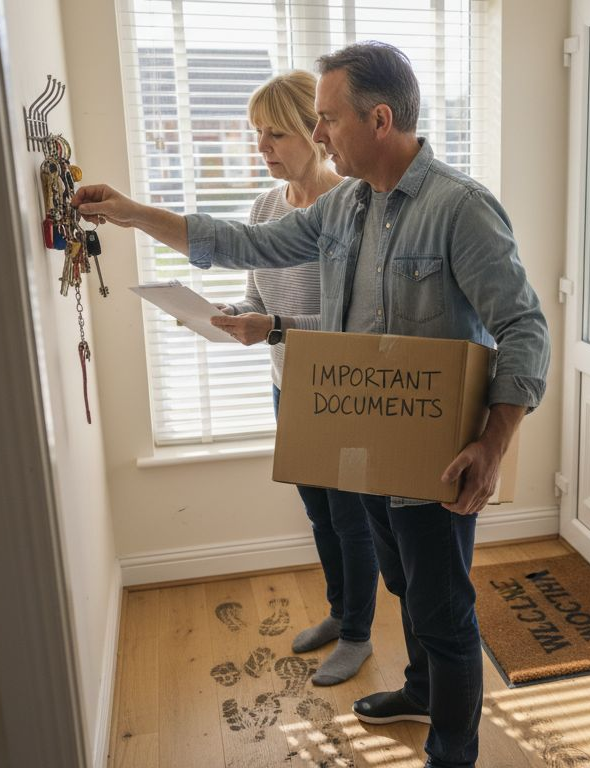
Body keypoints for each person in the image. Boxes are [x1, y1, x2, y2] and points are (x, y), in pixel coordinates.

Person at [74, 42, 550, 768]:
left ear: (380, 119)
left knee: (445, 616)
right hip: (372, 455)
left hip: (439, 461)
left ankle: (453, 754)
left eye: (327, 120)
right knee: (400, 585)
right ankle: (421, 690)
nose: (319, 134)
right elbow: (245, 241)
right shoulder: (345, 210)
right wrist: (136, 215)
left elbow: (524, 327)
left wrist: (493, 445)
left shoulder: (461, 210)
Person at [208, 70, 378, 687]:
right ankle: (341, 613)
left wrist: (273, 324)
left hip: (341, 390)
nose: (263, 148)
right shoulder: (264, 207)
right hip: (288, 384)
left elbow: (351, 324)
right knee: (318, 512)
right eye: (257, 135)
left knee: (352, 517)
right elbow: (257, 289)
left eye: (274, 133)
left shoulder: (353, 208)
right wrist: (229, 315)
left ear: (315, 130)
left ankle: (359, 634)